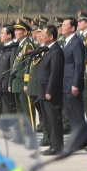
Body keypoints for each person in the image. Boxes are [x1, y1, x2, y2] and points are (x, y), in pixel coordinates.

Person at [34, 25, 65, 155]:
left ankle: (57, 146)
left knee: (54, 119)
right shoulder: (48, 50)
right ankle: (53, 144)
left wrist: (49, 91)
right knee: (48, 120)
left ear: (51, 36)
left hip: (50, 93)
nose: (41, 36)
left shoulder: (56, 51)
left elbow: (55, 73)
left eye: (43, 34)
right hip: (43, 90)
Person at [61, 17, 86, 137]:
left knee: (77, 113)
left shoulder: (77, 42)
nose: (62, 27)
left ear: (72, 28)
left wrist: (75, 84)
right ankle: (76, 136)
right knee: (70, 113)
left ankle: (82, 137)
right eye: (62, 24)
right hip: (65, 84)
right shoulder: (65, 42)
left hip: (72, 85)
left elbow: (79, 64)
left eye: (65, 25)